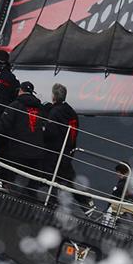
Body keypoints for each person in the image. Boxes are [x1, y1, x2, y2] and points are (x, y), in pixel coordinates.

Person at [0, 81, 46, 195]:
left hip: (19, 152)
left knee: (6, 156)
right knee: (32, 187)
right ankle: (31, 199)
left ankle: (5, 186)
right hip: (37, 154)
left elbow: (3, 125)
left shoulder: (15, 105)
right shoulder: (41, 109)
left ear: (20, 91)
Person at [40, 83, 96, 214]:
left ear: (53, 96)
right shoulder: (71, 112)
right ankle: (86, 202)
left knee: (50, 175)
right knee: (68, 177)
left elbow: (51, 133)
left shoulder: (54, 112)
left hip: (54, 151)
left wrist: (42, 130)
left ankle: (51, 203)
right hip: (68, 150)